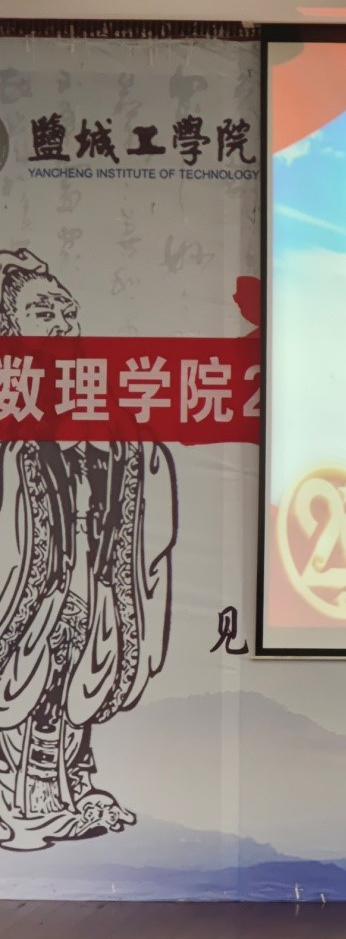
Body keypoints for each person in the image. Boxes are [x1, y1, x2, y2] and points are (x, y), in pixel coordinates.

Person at [0, 247, 177, 850]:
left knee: (74, 663)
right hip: (30, 574)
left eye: (66, 312)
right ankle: (32, 802)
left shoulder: (94, 403)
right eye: (42, 312)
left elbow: (132, 467)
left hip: (81, 568)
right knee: (35, 669)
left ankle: (69, 785)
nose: (62, 324)